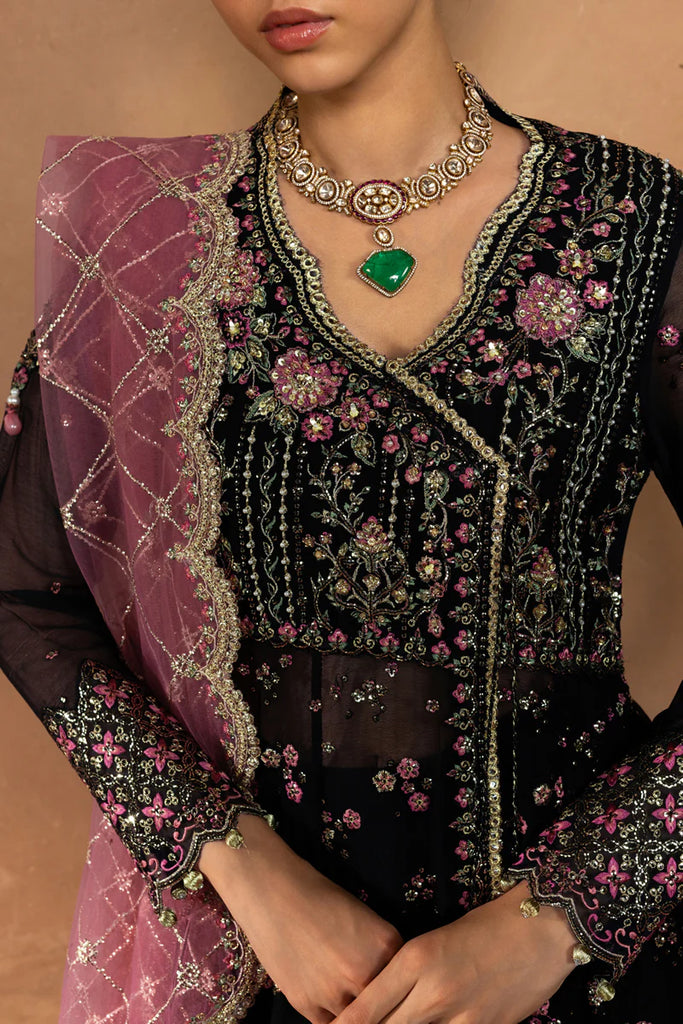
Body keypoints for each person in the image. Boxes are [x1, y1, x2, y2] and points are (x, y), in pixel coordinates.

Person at [1, 1, 681, 1021]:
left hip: (577, 969)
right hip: (263, 968)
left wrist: (563, 913)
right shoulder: (146, 234)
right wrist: (234, 861)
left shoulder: (629, 221)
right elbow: (25, 588)